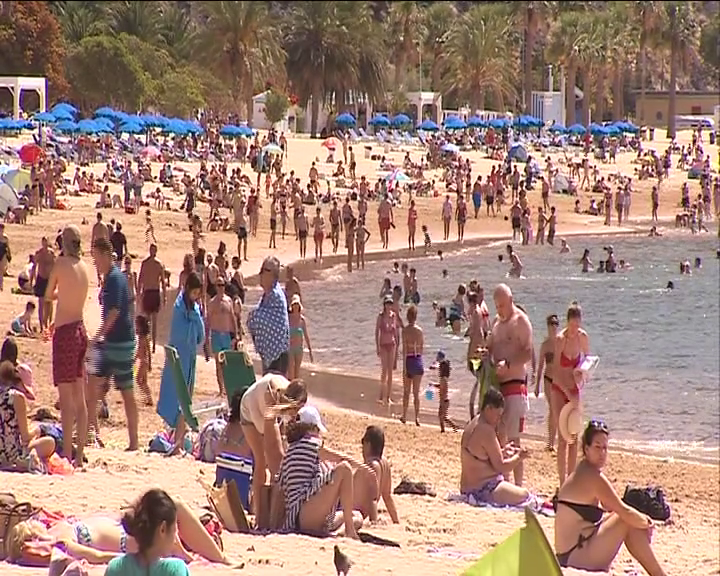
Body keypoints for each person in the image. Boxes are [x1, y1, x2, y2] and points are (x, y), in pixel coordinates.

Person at [6, 490, 227, 568]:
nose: (34, 521)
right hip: (132, 540)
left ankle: (197, 549)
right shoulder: (60, 542)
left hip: (129, 530)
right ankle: (221, 560)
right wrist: (133, 558)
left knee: (174, 507)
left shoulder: (56, 530)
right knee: (175, 506)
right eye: (31, 524)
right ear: (33, 537)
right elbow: (96, 555)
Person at [554, 421, 666, 575]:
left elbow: (610, 507)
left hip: (573, 552)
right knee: (625, 519)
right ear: (586, 449)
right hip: (575, 557)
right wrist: (648, 523)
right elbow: (623, 511)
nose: (602, 453)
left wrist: (637, 520)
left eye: (605, 448)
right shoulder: (592, 477)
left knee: (625, 519)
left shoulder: (583, 469)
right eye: (597, 447)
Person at [87, 237, 138, 451]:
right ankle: (95, 433)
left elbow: (115, 312)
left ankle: (131, 441)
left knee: (121, 391)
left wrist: (97, 336)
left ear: (106, 255)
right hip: (114, 341)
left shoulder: (115, 279)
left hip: (118, 343)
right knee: (95, 385)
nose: (95, 263)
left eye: (96, 258)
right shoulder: (110, 278)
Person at [45, 225, 90, 467]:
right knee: (79, 398)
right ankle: (79, 454)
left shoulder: (62, 264)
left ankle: (68, 455)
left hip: (65, 332)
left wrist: (59, 295)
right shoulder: (84, 268)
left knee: (66, 401)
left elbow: (47, 293)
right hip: (81, 330)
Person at [279, 407, 359, 539]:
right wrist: (362, 467)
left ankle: (339, 533)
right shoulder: (312, 444)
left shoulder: (290, 450)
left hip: (299, 516)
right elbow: (342, 459)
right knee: (344, 468)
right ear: (312, 428)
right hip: (305, 514)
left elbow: (280, 485)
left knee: (357, 516)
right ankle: (349, 531)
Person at [483, 284, 533, 486]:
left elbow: (529, 352)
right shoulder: (496, 323)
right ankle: (504, 480)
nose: (500, 310)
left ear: (511, 301)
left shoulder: (520, 321)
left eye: (503, 305)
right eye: (497, 306)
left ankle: (518, 485)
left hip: (515, 385)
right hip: (498, 387)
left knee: (514, 439)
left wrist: (510, 364)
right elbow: (491, 347)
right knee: (499, 438)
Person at [240, 375, 307, 515]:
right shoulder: (272, 394)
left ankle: (265, 508)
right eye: (295, 409)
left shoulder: (290, 394)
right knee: (262, 461)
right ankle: (258, 510)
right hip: (249, 409)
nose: (295, 414)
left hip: (267, 407)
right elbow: (273, 451)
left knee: (276, 463)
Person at [157, 272, 205, 455]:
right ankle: (177, 442)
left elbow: (200, 332)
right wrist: (193, 318)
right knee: (178, 398)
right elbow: (178, 332)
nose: (196, 297)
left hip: (189, 358)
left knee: (185, 400)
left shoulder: (195, 309)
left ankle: (178, 441)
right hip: (179, 358)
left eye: (198, 294)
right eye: (194, 293)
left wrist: (195, 317)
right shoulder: (179, 308)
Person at [460, 388, 531, 506]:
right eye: (498, 415)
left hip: (468, 488)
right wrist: (519, 457)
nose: (498, 419)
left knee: (519, 493)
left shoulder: (473, 423)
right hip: (484, 489)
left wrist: (502, 452)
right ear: (489, 408)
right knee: (525, 495)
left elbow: (481, 456)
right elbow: (502, 467)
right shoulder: (486, 430)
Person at [552, 302, 590, 485]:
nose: (574, 329)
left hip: (574, 388)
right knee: (562, 438)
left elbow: (588, 363)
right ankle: (562, 482)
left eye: (577, 325)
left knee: (574, 436)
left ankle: (571, 480)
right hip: (559, 387)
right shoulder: (561, 339)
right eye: (572, 325)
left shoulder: (582, 337)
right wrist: (567, 392)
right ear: (567, 322)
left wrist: (581, 376)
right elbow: (554, 372)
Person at [0, 360, 54, 470]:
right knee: (50, 442)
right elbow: (25, 436)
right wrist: (37, 431)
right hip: (11, 454)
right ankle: (24, 461)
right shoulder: (17, 397)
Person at [246, 256, 289, 374]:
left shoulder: (275, 295)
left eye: (264, 271)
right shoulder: (267, 295)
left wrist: (253, 317)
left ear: (273, 275)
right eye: (260, 270)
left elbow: (270, 323)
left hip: (278, 354)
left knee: (273, 389)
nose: (260, 274)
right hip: (272, 355)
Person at [207, 276, 239, 396]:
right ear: (215, 287)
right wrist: (206, 338)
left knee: (227, 363)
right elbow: (208, 320)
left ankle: (227, 387)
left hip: (226, 335)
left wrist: (236, 335)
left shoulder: (228, 301)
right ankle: (221, 390)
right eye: (218, 285)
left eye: (223, 285)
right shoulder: (212, 303)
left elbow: (232, 318)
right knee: (218, 364)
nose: (221, 288)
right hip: (216, 335)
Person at [535, 314, 560, 452]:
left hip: (559, 380)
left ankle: (552, 441)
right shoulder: (545, 345)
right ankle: (550, 443)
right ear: (548, 326)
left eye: (556, 324)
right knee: (553, 409)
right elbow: (540, 366)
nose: (553, 327)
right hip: (548, 379)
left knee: (556, 411)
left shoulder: (561, 342)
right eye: (551, 324)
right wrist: (537, 385)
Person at [137, 243, 166, 354]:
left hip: (150, 292)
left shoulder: (148, 263)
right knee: (152, 321)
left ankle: (151, 344)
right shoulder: (157, 264)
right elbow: (162, 281)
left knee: (150, 321)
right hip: (152, 292)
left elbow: (141, 279)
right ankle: (151, 344)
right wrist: (164, 297)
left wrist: (139, 293)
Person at [400, 305, 423, 426]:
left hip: (409, 360)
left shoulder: (405, 331)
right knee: (416, 392)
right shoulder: (420, 331)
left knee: (406, 391)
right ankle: (417, 417)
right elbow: (421, 349)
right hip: (418, 360)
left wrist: (404, 367)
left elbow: (404, 350)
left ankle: (404, 415)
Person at [375, 295, 398, 407]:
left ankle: (388, 397)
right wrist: (377, 347)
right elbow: (377, 332)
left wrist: (398, 347)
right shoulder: (381, 316)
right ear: (384, 305)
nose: (389, 306)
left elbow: (396, 333)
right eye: (387, 303)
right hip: (383, 345)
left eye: (390, 303)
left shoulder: (393, 316)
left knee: (390, 371)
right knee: (384, 371)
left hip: (392, 344)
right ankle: (381, 395)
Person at [31, 236, 55, 330]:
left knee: (49, 302)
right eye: (43, 242)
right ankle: (41, 326)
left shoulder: (51, 253)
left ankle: (49, 323)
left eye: (46, 242)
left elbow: (55, 267)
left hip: (49, 279)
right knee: (41, 303)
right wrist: (31, 280)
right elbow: (34, 267)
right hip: (40, 279)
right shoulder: (39, 253)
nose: (44, 244)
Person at [288, 294, 314, 381]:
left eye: (297, 305)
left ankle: (295, 391)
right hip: (290, 348)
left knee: (297, 372)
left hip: (299, 349)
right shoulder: (288, 318)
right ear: (292, 306)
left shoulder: (302, 320)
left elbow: (306, 335)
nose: (295, 306)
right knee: (291, 372)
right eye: (294, 304)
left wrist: (310, 350)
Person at [134, 315, 152, 406]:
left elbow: (140, 351)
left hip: (142, 361)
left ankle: (147, 397)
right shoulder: (145, 338)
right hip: (144, 361)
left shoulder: (142, 338)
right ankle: (148, 398)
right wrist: (150, 363)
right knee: (144, 382)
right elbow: (148, 352)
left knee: (138, 380)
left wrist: (134, 359)